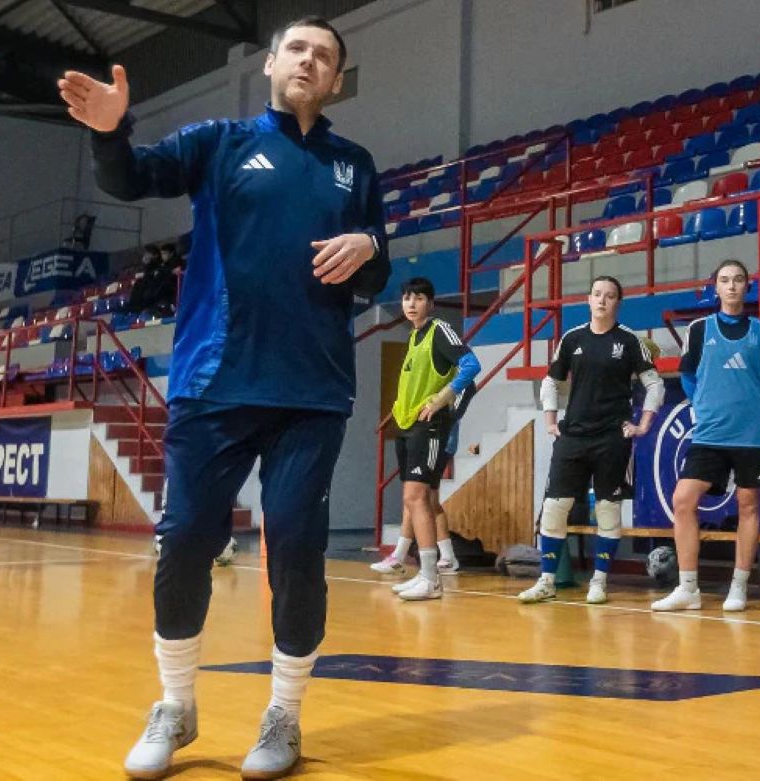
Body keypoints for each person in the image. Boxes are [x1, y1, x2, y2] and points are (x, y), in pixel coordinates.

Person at [59, 16, 391, 778]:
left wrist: (371, 246)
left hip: (312, 390)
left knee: (297, 550)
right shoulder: (220, 143)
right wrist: (110, 134)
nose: (309, 60)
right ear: (270, 63)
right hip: (214, 382)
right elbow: (131, 178)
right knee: (184, 542)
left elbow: (377, 273)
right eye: (297, 48)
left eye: (325, 56)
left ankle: (284, 714)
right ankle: (175, 705)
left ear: (337, 79)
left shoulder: (355, 165)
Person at [519, 275, 663, 604]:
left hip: (612, 438)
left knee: (608, 509)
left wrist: (643, 425)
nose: (602, 300)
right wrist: (550, 420)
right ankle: (546, 581)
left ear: (617, 303)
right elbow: (550, 381)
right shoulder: (572, 339)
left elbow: (655, 385)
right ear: (588, 299)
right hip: (573, 435)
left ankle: (599, 581)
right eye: (597, 294)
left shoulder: (630, 341)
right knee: (555, 507)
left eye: (609, 296)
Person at [652, 259, 760, 613]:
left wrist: (751, 411)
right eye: (725, 280)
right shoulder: (698, 330)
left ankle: (739, 587)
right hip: (709, 434)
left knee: (748, 506)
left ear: (747, 286)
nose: (732, 286)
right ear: (716, 288)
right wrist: (704, 406)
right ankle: (688, 588)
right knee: (683, 499)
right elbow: (688, 377)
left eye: (738, 279)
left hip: (750, 436)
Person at [383, 277, 480, 601]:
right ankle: (423, 572)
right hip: (407, 424)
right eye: (406, 298)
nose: (411, 304)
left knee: (418, 498)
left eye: (419, 298)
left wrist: (442, 399)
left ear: (431, 303)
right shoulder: (414, 336)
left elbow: (471, 365)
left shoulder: (440, 330)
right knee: (414, 499)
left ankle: (430, 577)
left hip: (430, 426)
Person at [371, 390, 475, 575]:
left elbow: (460, 401)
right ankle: (410, 555)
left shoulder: (457, 381)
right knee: (418, 498)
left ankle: (430, 557)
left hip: (439, 439)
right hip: (420, 436)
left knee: (424, 498)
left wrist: (440, 410)